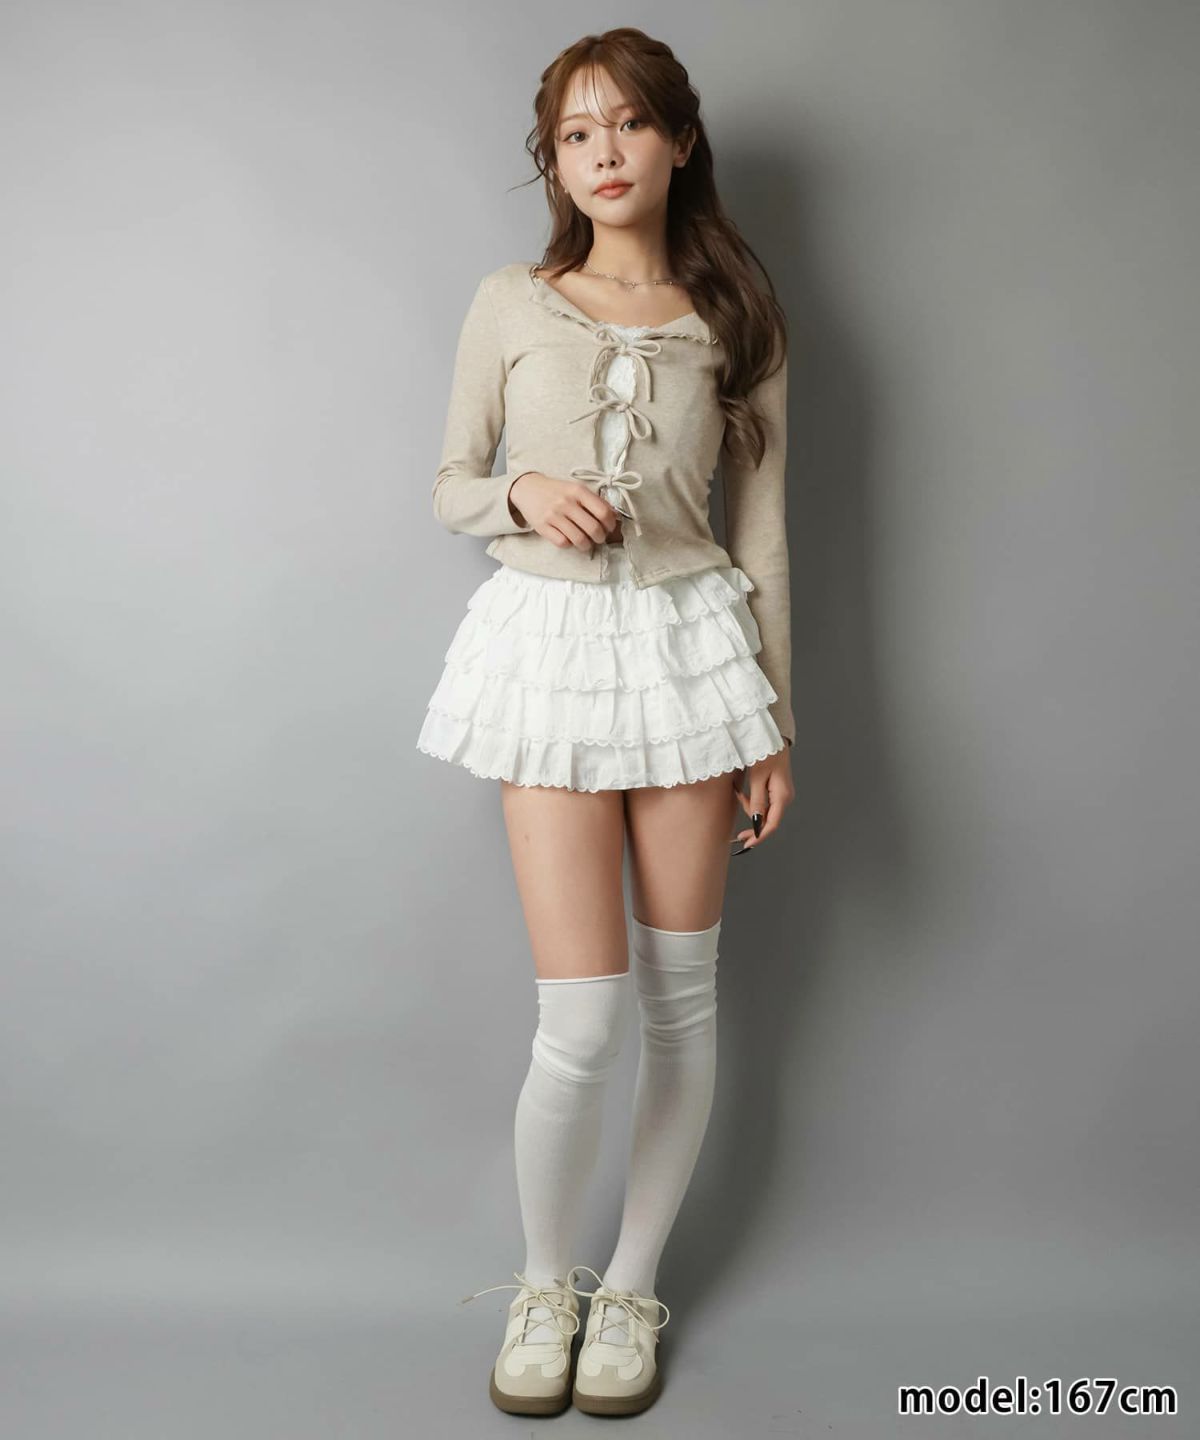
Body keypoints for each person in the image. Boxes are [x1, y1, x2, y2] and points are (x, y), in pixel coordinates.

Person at [417, 26, 795, 1418]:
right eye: (577, 135)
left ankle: (630, 1287)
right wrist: (520, 494)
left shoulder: (738, 317)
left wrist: (777, 721)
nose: (605, 153)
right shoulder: (510, 302)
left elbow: (763, 531)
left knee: (681, 1004)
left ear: (679, 141)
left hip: (694, 655)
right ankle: (544, 1282)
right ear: (555, 163)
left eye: (628, 124)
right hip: (551, 652)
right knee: (579, 1022)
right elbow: (451, 482)